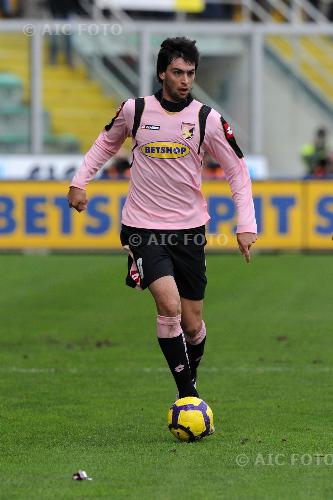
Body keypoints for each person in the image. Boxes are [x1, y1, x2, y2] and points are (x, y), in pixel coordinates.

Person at [68, 37, 257, 404]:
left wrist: (245, 224)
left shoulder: (207, 119)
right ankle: (187, 395)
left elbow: (238, 172)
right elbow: (105, 144)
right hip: (142, 228)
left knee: (192, 324)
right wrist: (79, 182)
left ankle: (191, 379)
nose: (185, 80)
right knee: (168, 306)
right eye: (177, 72)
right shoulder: (134, 111)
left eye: (190, 73)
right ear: (162, 73)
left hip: (189, 231)